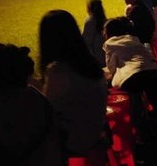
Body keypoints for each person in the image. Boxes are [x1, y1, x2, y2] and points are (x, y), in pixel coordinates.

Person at [40, 10, 108, 156]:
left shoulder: (59, 70)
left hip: (76, 138)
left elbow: (47, 109)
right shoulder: (90, 63)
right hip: (96, 128)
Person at [103, 17, 157, 123]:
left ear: (108, 32)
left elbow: (111, 67)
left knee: (133, 91)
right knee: (147, 86)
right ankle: (155, 112)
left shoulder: (110, 43)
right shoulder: (133, 39)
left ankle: (138, 122)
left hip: (134, 76)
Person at [82, 0, 107, 66]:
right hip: (105, 57)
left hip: (96, 58)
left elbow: (86, 42)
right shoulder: (105, 20)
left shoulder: (90, 21)